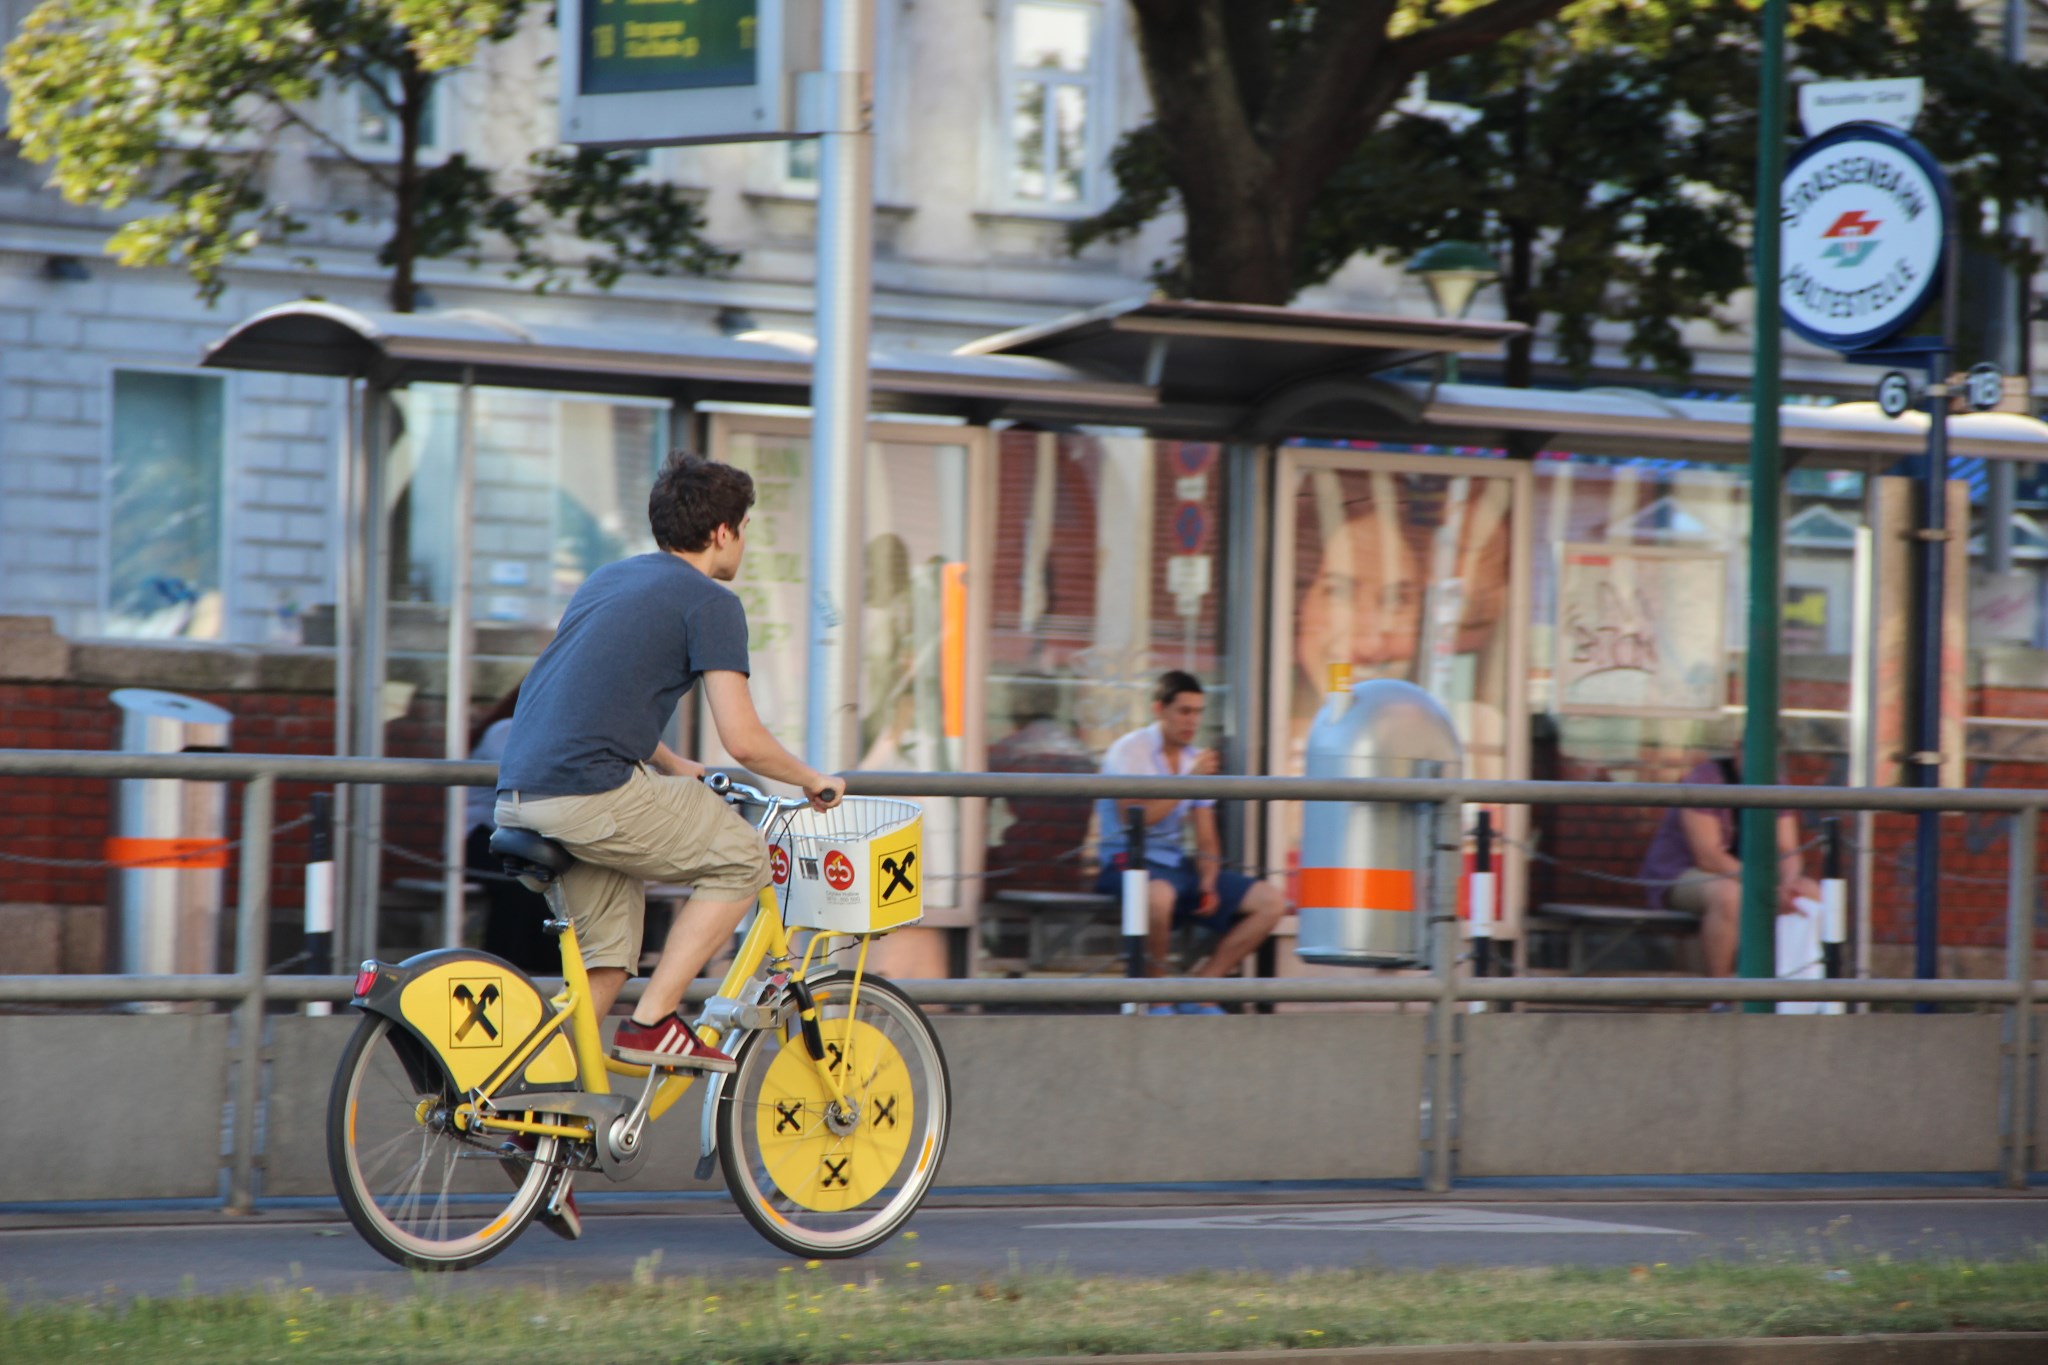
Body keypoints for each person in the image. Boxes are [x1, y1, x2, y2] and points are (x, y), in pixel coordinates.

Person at [494, 453, 843, 1076]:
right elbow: (743, 740)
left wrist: (670, 759)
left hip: (525, 789)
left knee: (606, 956)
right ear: (721, 533)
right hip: (591, 792)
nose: (741, 545)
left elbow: (587, 691)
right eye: (743, 530)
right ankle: (654, 1023)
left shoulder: (608, 579)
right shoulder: (711, 602)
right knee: (743, 858)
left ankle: (547, 1120)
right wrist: (813, 779)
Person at [1093, 670, 1285, 1012]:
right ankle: (1157, 998)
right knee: (1159, 896)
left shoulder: (1191, 760)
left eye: (1198, 712)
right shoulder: (1131, 750)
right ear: (1159, 709)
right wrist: (1188, 779)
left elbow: (1207, 836)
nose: (1192, 721)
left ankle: (1201, 991)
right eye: (1184, 711)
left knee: (1271, 903)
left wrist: (1209, 881)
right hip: (1127, 861)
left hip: (1175, 863)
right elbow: (1134, 816)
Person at [1638, 749, 1818, 980]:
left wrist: (1788, 884)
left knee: (1808, 894)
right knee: (1730, 896)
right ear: (1738, 749)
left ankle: (1796, 987)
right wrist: (1765, 886)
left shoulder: (1776, 784)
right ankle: (1721, 993)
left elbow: (1788, 850)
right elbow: (1709, 857)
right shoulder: (1705, 780)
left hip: (1749, 878)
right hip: (1681, 873)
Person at [464, 680, 556, 975]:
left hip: (519, 836)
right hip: (484, 837)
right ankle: (513, 967)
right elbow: (530, 773)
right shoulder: (504, 730)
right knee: (525, 880)